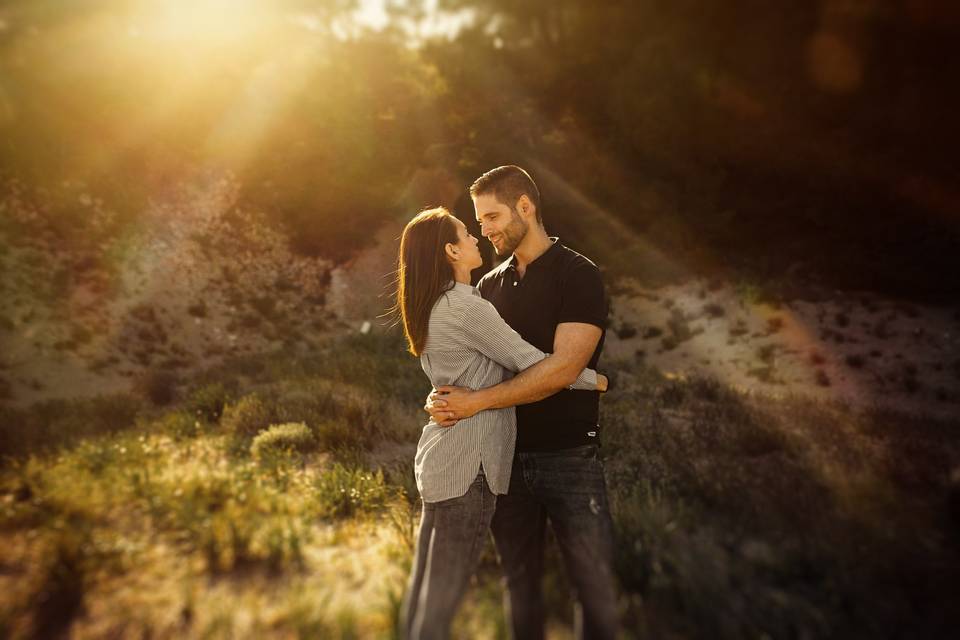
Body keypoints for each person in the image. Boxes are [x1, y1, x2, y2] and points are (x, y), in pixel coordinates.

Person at [393, 206, 608, 640]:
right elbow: (527, 360)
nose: (477, 237)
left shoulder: (433, 304)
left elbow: (451, 376)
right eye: (467, 234)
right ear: (452, 250)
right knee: (443, 598)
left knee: (427, 590)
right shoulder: (467, 306)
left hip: (442, 460)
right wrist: (595, 380)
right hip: (468, 467)